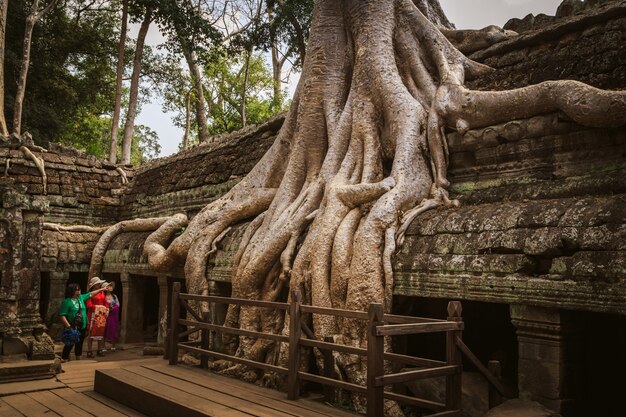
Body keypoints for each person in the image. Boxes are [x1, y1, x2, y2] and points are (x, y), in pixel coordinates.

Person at [58, 282, 106, 362]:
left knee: (79, 344)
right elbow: (62, 315)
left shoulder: (80, 298)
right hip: (72, 326)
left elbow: (91, 294)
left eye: (79, 289)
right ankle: (64, 359)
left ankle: (78, 361)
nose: (79, 291)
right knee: (69, 344)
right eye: (77, 289)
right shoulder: (67, 302)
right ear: (72, 291)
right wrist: (68, 326)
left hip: (82, 326)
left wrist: (102, 289)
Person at [85, 277, 110, 358]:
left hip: (101, 314)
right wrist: (98, 307)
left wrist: (106, 308)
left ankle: (100, 349)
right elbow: (88, 305)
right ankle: (89, 350)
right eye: (98, 284)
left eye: (99, 284)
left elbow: (105, 302)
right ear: (95, 285)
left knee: (100, 332)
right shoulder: (91, 293)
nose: (99, 285)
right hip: (93, 314)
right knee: (91, 333)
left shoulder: (102, 292)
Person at [104, 282, 120, 352]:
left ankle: (113, 345)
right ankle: (103, 346)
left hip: (113, 315)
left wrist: (113, 307)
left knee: (114, 328)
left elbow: (118, 305)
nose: (110, 288)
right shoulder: (103, 296)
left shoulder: (114, 296)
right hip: (106, 314)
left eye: (111, 286)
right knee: (105, 329)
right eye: (108, 286)